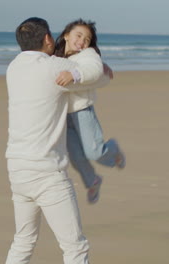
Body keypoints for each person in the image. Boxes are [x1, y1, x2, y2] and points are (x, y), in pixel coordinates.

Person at [5, 17, 110, 264]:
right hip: (46, 172)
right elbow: (97, 76)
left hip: (17, 169)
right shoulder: (54, 68)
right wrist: (101, 71)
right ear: (48, 39)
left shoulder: (13, 68)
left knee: (23, 241)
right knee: (75, 247)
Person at [54, 19, 126, 204]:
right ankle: (92, 180)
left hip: (81, 110)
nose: (82, 41)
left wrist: (75, 75)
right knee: (76, 156)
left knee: (94, 151)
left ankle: (113, 150)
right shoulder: (56, 56)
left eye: (87, 39)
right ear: (66, 35)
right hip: (62, 115)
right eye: (78, 35)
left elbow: (93, 68)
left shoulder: (88, 54)